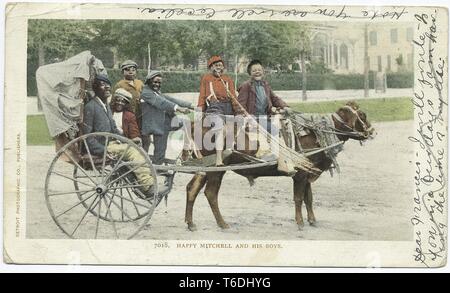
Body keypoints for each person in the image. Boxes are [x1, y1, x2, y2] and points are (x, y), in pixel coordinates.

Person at [83, 74, 158, 198]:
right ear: (95, 88)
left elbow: (113, 128)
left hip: (111, 142)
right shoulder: (91, 107)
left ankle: (143, 180)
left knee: (135, 148)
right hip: (102, 146)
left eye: (108, 85)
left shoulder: (105, 105)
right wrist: (103, 151)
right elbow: (88, 137)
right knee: (131, 152)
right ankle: (147, 185)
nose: (107, 87)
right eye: (103, 85)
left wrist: (128, 140)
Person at [197, 55, 244, 166]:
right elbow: (202, 96)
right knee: (220, 128)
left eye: (221, 65)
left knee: (239, 124)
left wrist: (238, 112)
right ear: (211, 67)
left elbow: (233, 97)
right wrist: (199, 111)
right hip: (214, 108)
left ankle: (230, 150)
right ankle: (219, 158)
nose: (219, 67)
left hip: (228, 108)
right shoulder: (206, 78)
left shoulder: (228, 79)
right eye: (216, 65)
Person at [140, 70, 193, 165]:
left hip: (164, 121)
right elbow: (162, 103)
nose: (157, 84)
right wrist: (179, 109)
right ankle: (158, 166)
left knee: (187, 123)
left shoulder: (156, 92)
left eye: (159, 83)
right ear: (149, 81)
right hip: (155, 124)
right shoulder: (146, 92)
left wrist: (191, 105)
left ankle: (186, 150)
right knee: (160, 148)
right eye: (155, 82)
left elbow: (171, 99)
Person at [113, 60, 150, 151]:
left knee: (145, 137)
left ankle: (144, 156)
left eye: (133, 70)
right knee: (130, 136)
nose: (131, 72)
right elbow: (115, 101)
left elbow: (146, 95)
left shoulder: (139, 83)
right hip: (128, 116)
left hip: (141, 115)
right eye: (127, 70)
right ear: (123, 72)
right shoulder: (120, 85)